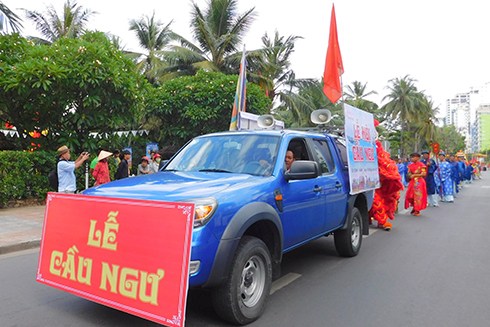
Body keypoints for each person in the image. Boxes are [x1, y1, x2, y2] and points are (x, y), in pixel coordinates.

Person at [368, 120, 403, 230]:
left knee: (378, 200)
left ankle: (382, 221)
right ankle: (368, 219)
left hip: (377, 182)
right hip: (363, 180)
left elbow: (385, 163)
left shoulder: (377, 149)